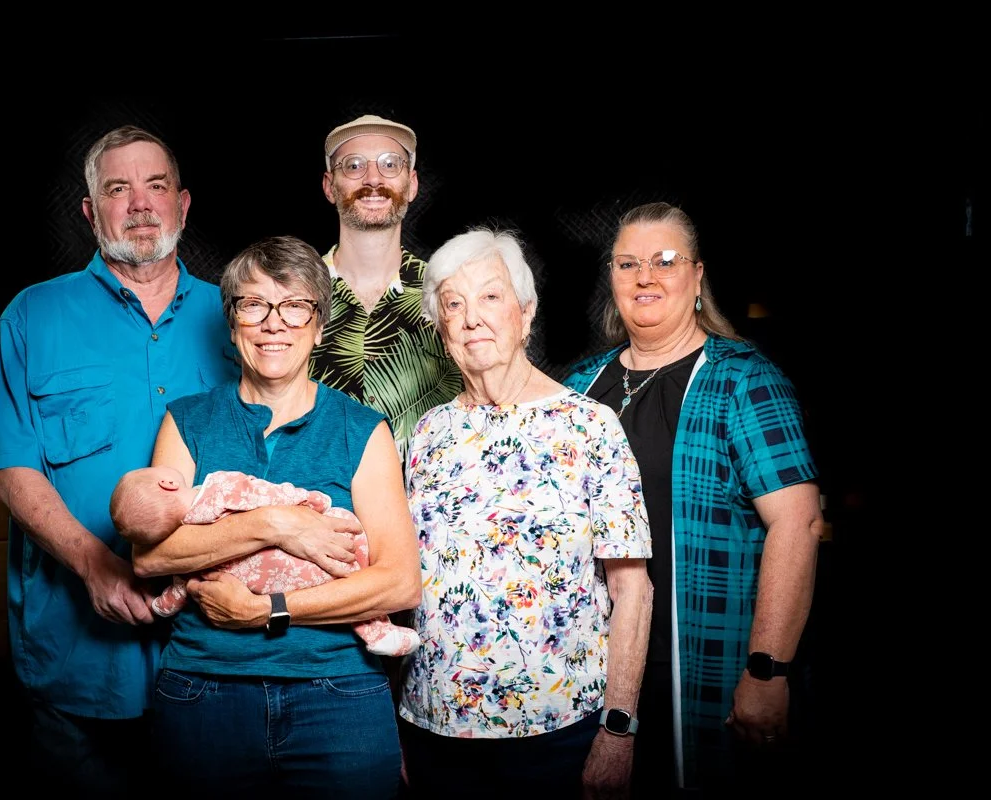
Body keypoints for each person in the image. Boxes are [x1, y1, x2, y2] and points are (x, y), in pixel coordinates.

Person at [0, 125, 238, 795]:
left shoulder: (240, 316)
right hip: (77, 661)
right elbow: (6, 462)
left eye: (156, 186)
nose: (140, 204)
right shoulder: (34, 316)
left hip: (219, 653)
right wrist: (96, 566)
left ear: (184, 204)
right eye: (117, 188)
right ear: (88, 211)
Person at [124, 235, 421, 798]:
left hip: (337, 696)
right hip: (203, 690)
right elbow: (151, 557)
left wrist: (267, 611)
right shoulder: (187, 421)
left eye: (294, 306)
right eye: (254, 305)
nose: (273, 323)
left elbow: (399, 583)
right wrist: (273, 523)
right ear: (233, 322)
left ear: (318, 323)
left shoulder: (363, 430)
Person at [562, 201, 825, 798]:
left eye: (665, 261)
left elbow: (798, 523)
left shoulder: (743, 378)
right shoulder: (578, 387)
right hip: (592, 670)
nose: (645, 276)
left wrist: (767, 670)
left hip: (704, 658)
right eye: (628, 263)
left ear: (698, 275)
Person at [396, 227, 654, 799]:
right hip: (432, 728)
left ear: (526, 312)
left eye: (490, 297)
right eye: (453, 305)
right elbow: (404, 581)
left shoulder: (589, 426)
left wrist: (618, 729)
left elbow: (633, 589)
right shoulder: (431, 432)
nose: (471, 319)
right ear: (441, 330)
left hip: (558, 733)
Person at [109, 465, 420, 656]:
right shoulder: (218, 487)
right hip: (302, 565)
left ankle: (374, 629)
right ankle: (375, 629)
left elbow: (181, 581)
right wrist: (307, 500)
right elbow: (262, 493)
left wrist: (166, 602)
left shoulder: (188, 540)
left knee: (339, 574)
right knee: (342, 567)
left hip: (260, 582)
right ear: (168, 484)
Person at [313, 113, 464, 463]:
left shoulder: (451, 294)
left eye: (389, 164)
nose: (373, 179)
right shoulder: (291, 295)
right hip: (317, 507)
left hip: (426, 508)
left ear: (411, 184)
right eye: (352, 166)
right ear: (329, 185)